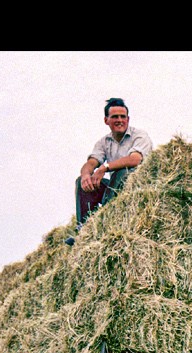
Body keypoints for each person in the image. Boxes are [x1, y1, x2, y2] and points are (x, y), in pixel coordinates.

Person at [64, 97, 153, 245]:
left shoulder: (140, 136)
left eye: (123, 117)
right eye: (115, 117)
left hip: (139, 190)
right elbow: (91, 162)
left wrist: (105, 167)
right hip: (114, 189)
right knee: (81, 182)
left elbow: (135, 159)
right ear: (106, 120)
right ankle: (84, 231)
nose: (119, 120)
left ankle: (108, 222)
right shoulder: (104, 142)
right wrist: (86, 174)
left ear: (128, 119)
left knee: (123, 171)